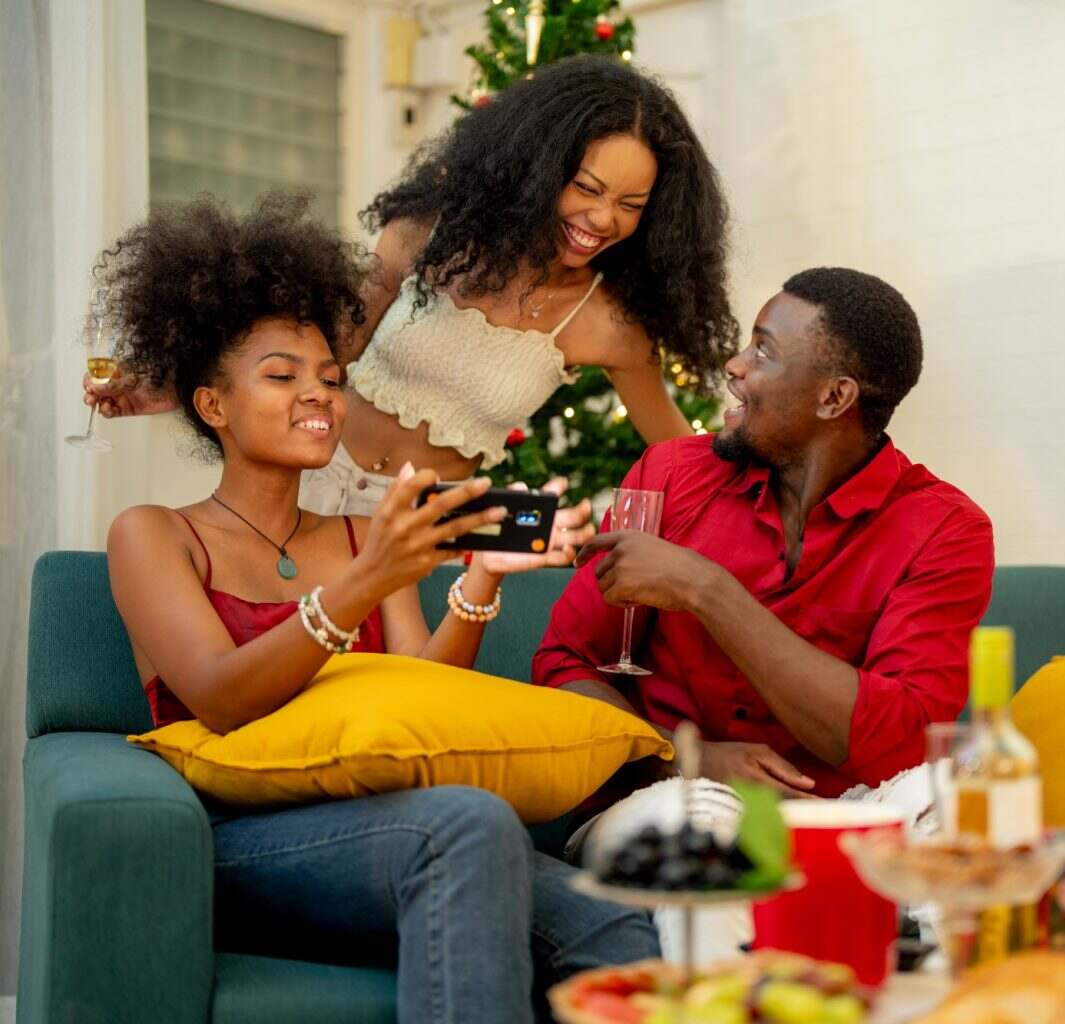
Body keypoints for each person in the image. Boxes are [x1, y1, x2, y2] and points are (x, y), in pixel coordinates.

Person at [99, 194, 657, 1023]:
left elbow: (420, 693)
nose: (319, 395)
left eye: (331, 377)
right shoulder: (154, 535)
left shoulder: (367, 533)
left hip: (391, 826)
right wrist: (363, 582)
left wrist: (480, 583)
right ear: (213, 406)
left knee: (620, 920)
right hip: (238, 840)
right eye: (282, 377)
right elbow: (219, 695)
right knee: (467, 826)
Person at [85, 54, 738, 517]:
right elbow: (326, 350)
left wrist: (778, 476)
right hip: (310, 487)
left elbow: (681, 454)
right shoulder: (430, 233)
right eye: (587, 188)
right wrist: (168, 388)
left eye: (631, 203)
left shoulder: (608, 325)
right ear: (538, 169)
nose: (602, 220)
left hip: (424, 530)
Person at [532, 265, 995, 842]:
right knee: (703, 835)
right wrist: (681, 757)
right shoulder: (670, 475)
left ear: (834, 397)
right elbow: (564, 664)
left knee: (957, 811)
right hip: (660, 791)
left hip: (844, 805)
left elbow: (899, 742)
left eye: (763, 351)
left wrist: (706, 589)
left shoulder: (943, 529)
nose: (735, 365)